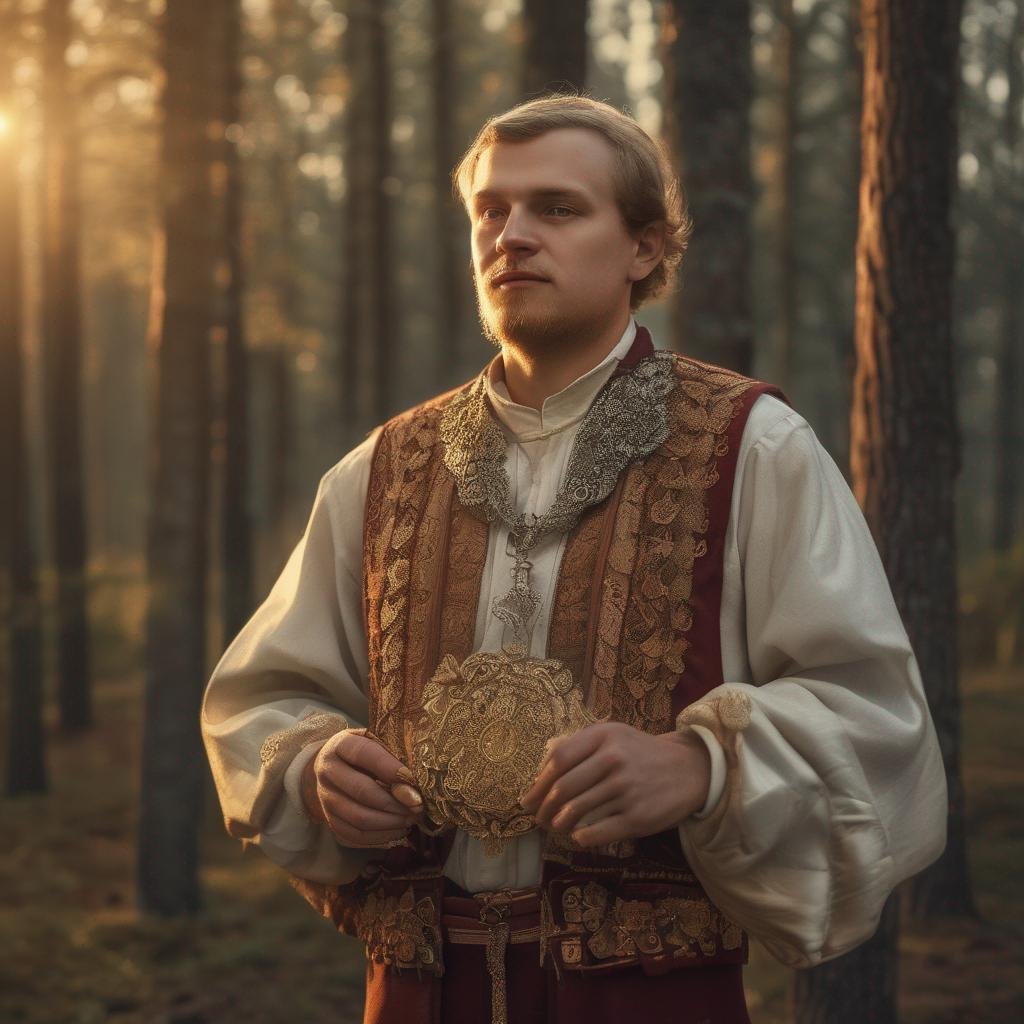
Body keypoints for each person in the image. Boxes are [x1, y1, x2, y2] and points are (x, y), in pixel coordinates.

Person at [201, 96, 947, 1024]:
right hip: (419, 996)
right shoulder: (380, 469)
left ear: (644, 248)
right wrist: (315, 764)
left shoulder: (755, 447)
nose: (510, 236)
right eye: (491, 210)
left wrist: (704, 765)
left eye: (557, 208)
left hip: (654, 1000)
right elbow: (262, 698)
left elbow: (876, 713)